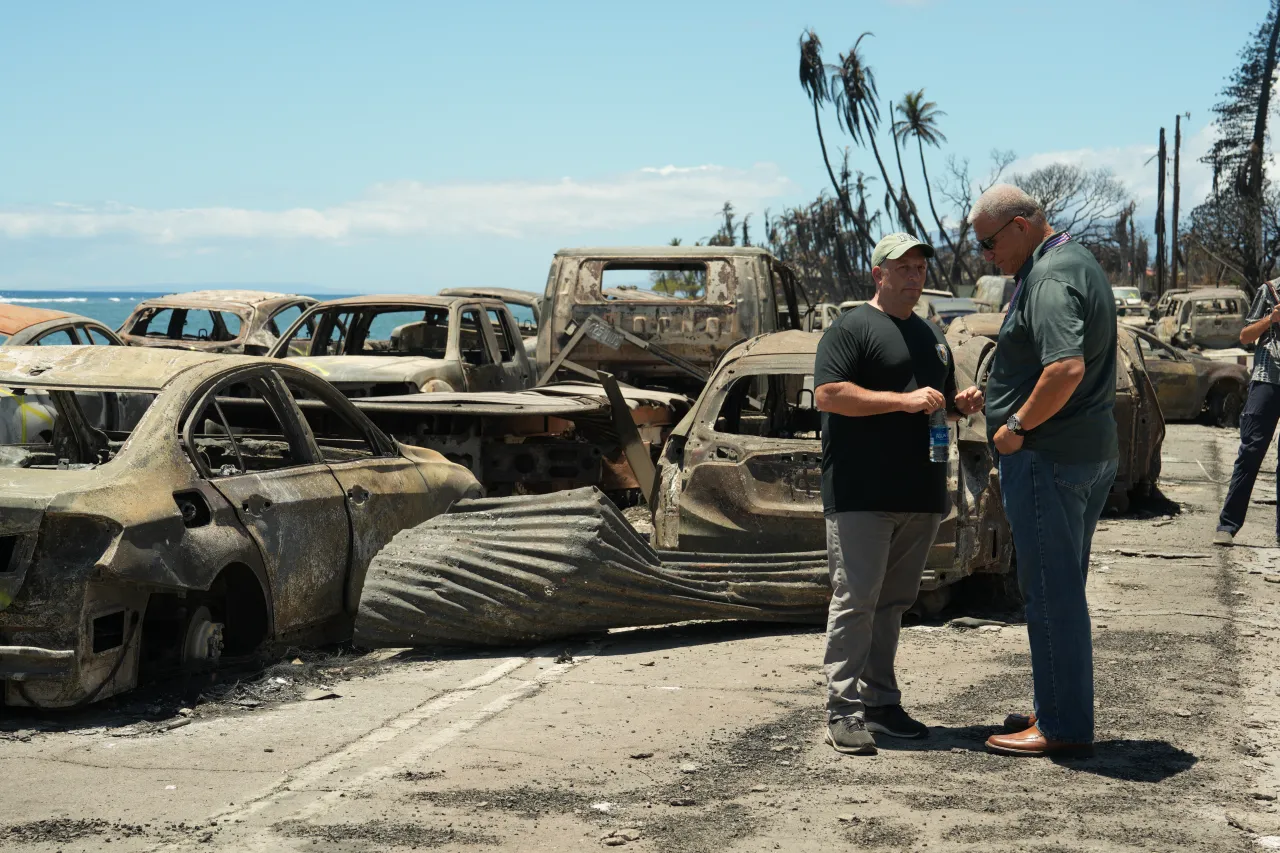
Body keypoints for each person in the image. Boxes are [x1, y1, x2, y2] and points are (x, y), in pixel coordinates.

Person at [814, 232, 984, 756]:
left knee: (893, 604)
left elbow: (936, 407)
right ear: (878, 274)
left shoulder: (932, 335)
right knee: (856, 601)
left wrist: (961, 404)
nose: (914, 275)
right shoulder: (851, 328)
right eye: (903, 267)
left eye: (919, 267)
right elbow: (829, 394)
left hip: (921, 490)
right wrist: (901, 402)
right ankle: (842, 709)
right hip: (862, 491)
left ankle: (882, 705)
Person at [971, 185, 1118, 758]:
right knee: (1063, 590)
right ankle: (1058, 705)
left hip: (1049, 457)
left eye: (989, 242)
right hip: (1082, 452)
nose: (986, 255)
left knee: (1051, 594)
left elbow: (1064, 368)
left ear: (1023, 224)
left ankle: (1060, 724)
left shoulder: (1051, 278)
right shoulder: (1075, 262)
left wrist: (1018, 428)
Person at [1214, 278, 1280, 546]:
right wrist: (1271, 319)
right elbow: (1245, 336)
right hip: (1267, 379)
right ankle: (1228, 525)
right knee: (1251, 452)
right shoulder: (1270, 290)